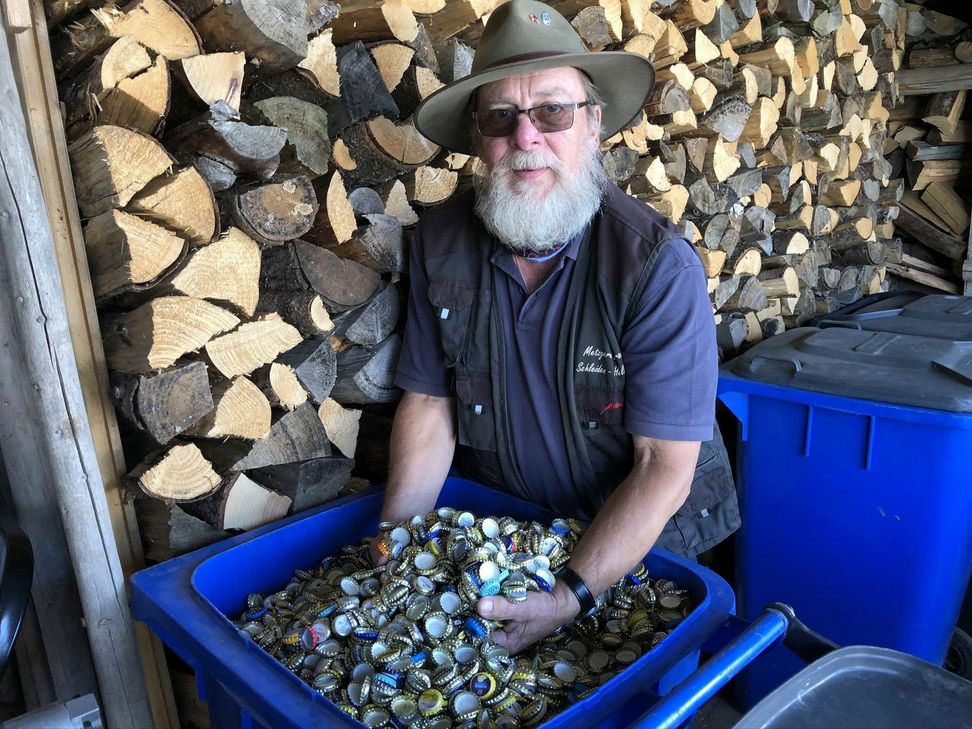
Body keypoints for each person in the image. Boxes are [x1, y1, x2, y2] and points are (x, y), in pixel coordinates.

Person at [371, 0, 739, 654]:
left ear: (593, 124)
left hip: (651, 547)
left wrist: (571, 593)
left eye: (552, 110)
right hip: (513, 530)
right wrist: (397, 541)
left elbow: (664, 467)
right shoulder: (440, 242)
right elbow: (429, 404)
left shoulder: (655, 266)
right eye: (501, 116)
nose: (526, 136)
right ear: (480, 136)